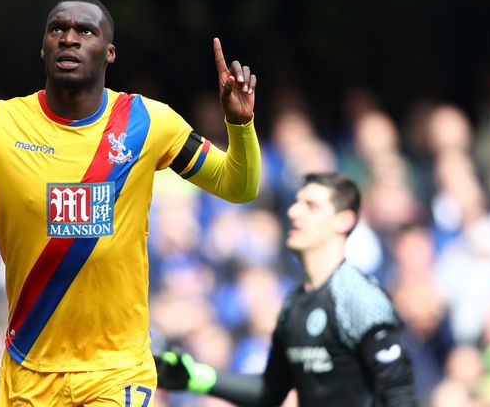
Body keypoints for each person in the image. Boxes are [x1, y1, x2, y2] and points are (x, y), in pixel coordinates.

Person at [0, 0, 261, 406]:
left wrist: (240, 123)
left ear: (110, 52)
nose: (69, 39)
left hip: (117, 367)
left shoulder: (148, 122)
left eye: (85, 31)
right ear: (43, 47)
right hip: (30, 368)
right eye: (58, 29)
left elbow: (238, 186)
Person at [156, 172, 418, 406]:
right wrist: (195, 377)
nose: (294, 212)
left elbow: (400, 396)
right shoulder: (295, 302)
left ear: (344, 221)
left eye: (311, 206)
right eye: (296, 203)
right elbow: (269, 391)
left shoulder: (361, 298)